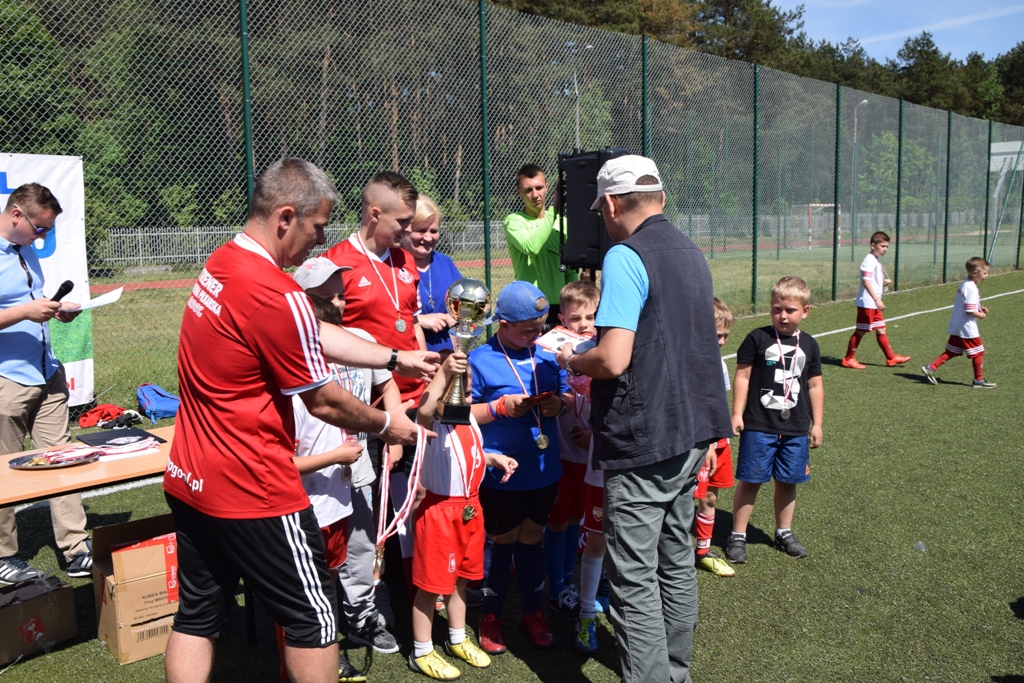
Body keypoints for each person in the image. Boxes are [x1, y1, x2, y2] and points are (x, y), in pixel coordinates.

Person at [163, 158, 426, 683]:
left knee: (198, 614)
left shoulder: (225, 263)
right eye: (318, 226)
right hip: (253, 487)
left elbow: (305, 329)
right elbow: (324, 402)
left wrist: (394, 358)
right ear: (286, 217)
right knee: (315, 619)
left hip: (190, 477)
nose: (321, 239)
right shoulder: (274, 291)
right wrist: (385, 424)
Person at [555, 155, 732, 683]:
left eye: (599, 212)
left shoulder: (626, 255)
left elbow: (612, 360)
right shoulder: (690, 249)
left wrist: (572, 358)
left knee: (632, 579)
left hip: (647, 435)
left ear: (611, 204)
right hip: (692, 429)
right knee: (674, 561)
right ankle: (675, 673)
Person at [292, 257, 403, 657]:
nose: (339, 303)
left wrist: (394, 431)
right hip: (312, 473)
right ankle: (319, 631)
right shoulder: (295, 346)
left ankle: (360, 618)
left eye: (341, 295)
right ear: (304, 299)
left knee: (360, 545)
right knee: (315, 555)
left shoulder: (357, 337)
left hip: (357, 466)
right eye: (328, 297)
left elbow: (387, 384)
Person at [325, 171, 426, 598]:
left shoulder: (405, 260)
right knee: (370, 505)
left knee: (414, 496)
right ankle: (372, 599)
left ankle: (414, 589)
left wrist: (427, 366)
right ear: (374, 213)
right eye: (402, 221)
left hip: (412, 399)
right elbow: (326, 338)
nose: (409, 229)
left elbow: (410, 322)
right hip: (367, 409)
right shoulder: (337, 263)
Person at [469, 281, 571, 654]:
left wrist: (559, 405)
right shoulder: (479, 359)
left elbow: (568, 393)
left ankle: (533, 612)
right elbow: (460, 414)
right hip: (502, 474)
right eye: (529, 330)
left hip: (543, 470)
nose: (536, 335)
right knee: (500, 544)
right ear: (503, 324)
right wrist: (499, 407)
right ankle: (491, 616)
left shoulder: (547, 354)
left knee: (532, 540)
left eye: (541, 327)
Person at [0, 183, 92, 585]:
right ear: (16, 214)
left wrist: (56, 311)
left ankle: (76, 548)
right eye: (39, 228)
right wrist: (26, 311)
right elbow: (19, 309)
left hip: (46, 373)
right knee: (4, 472)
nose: (42, 237)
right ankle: (3, 557)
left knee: (63, 460)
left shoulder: (25, 250)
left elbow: (29, 304)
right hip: (7, 379)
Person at [407, 352, 517, 680]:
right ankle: (421, 651)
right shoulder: (433, 421)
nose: (463, 400)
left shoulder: (468, 418)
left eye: (467, 393)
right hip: (441, 512)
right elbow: (424, 410)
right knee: (430, 587)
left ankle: (456, 638)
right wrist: (444, 372)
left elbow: (469, 451)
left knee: (461, 581)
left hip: (471, 508)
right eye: (455, 392)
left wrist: (493, 459)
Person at [280, 282, 367, 683]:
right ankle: (296, 667)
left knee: (327, 583)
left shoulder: (333, 379)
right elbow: (281, 464)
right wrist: (336, 457)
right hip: (303, 510)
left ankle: (328, 654)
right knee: (301, 595)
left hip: (335, 504)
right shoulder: (295, 395)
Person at [725, 276, 824, 566]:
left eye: (790, 310)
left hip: (795, 427)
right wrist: (736, 413)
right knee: (751, 480)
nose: (782, 315)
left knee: (788, 481)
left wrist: (817, 423)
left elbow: (815, 385)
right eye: (776, 309)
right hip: (759, 424)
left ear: (805, 311)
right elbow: (742, 376)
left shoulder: (810, 344)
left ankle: (783, 532)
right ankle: (737, 535)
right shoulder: (757, 338)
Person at [544, 280, 599, 621]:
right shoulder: (552, 350)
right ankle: (556, 588)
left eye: (591, 317)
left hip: (590, 454)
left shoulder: (602, 349)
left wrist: (594, 436)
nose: (584, 324)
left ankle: (567, 580)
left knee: (577, 519)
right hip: (562, 454)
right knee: (557, 522)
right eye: (576, 318)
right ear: (562, 318)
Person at [692, 298, 738, 578]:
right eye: (718, 335)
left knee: (710, 497)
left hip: (718, 442)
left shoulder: (719, 363)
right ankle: (672, 555)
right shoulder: (689, 362)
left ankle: (703, 552)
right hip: (698, 444)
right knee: (683, 501)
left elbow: (718, 404)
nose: (722, 342)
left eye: (726, 336)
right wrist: (706, 442)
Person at [503, 164, 577, 326]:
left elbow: (570, 270)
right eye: (528, 190)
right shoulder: (514, 221)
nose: (535, 195)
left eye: (539, 188)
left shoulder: (562, 223)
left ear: (547, 187)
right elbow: (531, 247)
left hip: (560, 307)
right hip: (529, 305)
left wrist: (575, 301)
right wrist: (555, 208)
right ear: (518, 192)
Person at [922, 257, 996, 388]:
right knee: (978, 352)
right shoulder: (972, 288)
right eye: (985, 273)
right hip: (967, 327)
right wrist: (981, 315)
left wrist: (979, 307)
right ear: (975, 272)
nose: (986, 275)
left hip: (958, 325)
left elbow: (967, 304)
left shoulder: (965, 284)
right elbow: (970, 311)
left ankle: (931, 367)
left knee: (953, 351)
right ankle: (978, 380)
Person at [842, 231, 911, 369]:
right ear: (873, 246)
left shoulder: (875, 260)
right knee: (861, 331)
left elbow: (872, 281)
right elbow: (866, 281)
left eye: (887, 247)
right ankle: (848, 358)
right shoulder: (869, 260)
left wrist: (882, 283)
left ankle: (891, 358)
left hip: (873, 303)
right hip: (868, 303)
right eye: (882, 246)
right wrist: (876, 299)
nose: (885, 249)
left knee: (881, 329)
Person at [402, 196, 461, 356]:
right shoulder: (392, 264)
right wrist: (420, 320)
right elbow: (381, 315)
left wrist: (456, 316)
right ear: (406, 230)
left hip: (450, 355)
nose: (428, 238)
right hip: (410, 355)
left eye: (433, 231)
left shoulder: (445, 262)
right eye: (421, 230)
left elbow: (467, 303)